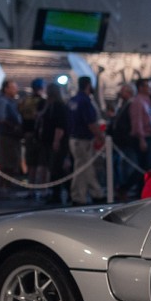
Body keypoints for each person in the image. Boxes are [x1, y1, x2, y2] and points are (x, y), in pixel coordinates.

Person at [67, 76, 105, 206]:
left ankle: (90, 194)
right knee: (82, 168)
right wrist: (100, 137)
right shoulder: (85, 101)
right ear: (88, 85)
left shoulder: (73, 100)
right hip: (83, 140)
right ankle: (81, 196)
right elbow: (91, 123)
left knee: (84, 167)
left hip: (74, 138)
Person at [38, 83, 70, 203]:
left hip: (55, 141)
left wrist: (56, 141)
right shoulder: (49, 106)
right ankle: (56, 193)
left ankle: (57, 194)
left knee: (57, 168)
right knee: (53, 168)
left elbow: (60, 126)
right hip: (48, 140)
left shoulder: (58, 106)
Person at [0, 79, 22, 199]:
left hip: (12, 136)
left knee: (12, 162)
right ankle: (3, 188)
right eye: (13, 88)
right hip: (6, 136)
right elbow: (0, 118)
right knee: (6, 163)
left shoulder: (12, 102)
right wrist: (14, 126)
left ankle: (7, 187)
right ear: (6, 89)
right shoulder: (3, 102)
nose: (16, 90)